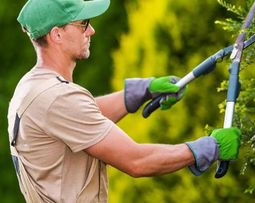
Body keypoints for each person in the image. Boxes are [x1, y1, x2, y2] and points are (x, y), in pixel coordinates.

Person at [7, 0, 241, 202]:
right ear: (57, 34)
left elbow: (83, 117)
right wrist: (210, 148)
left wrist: (143, 91)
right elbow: (137, 161)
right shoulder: (56, 97)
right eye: (83, 25)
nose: (91, 31)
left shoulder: (33, 87)